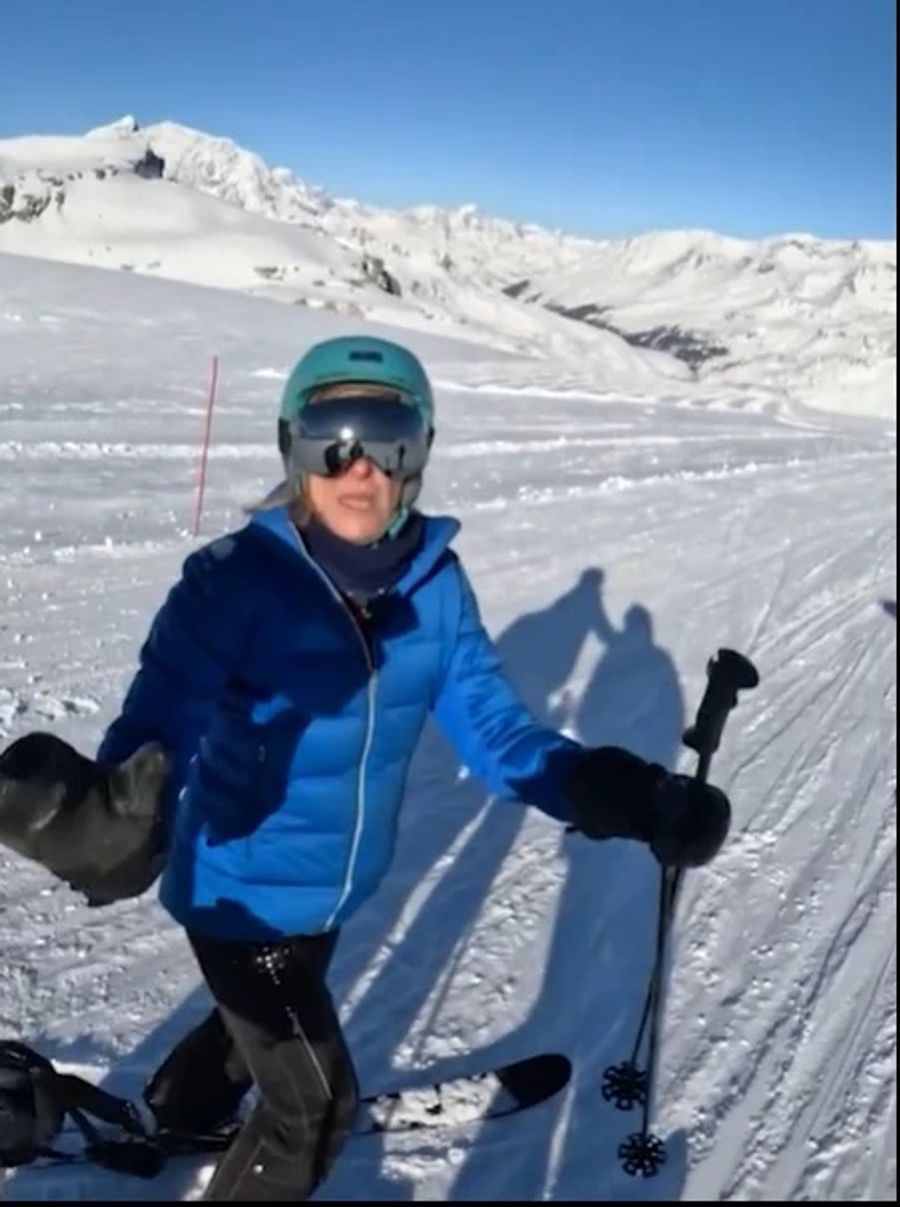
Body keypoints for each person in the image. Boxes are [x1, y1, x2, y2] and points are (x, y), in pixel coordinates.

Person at [91, 335, 730, 1201]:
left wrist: (620, 791)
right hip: (238, 893)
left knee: (259, 1029)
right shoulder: (233, 583)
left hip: (332, 890)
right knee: (313, 1110)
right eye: (332, 436)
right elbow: (159, 718)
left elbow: (497, 732)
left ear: (417, 455)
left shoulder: (434, 586)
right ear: (295, 449)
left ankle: (184, 1105)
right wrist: (108, 808)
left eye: (387, 436)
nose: (360, 467)